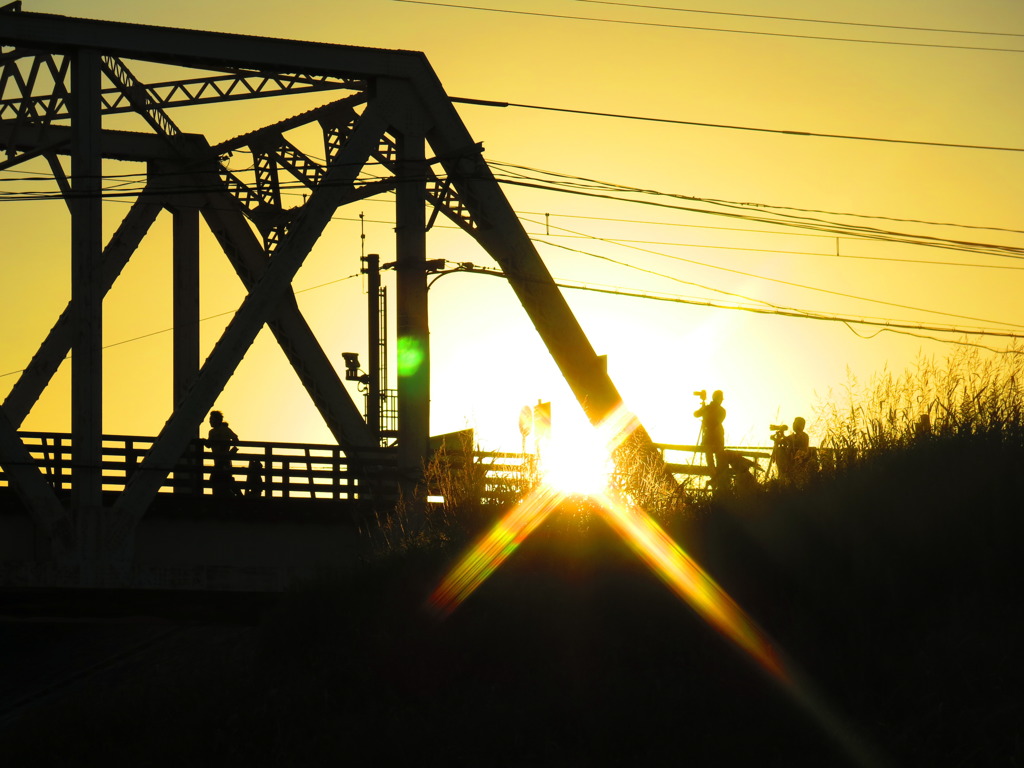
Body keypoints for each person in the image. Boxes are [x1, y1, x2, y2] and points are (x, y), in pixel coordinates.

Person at [693, 390, 726, 483]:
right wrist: (703, 408)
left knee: (716, 460)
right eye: (720, 398)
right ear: (717, 398)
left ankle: (716, 478)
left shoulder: (720, 410)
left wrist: (704, 410)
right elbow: (696, 414)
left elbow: (715, 422)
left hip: (713, 438)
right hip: (713, 439)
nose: (722, 400)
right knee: (713, 461)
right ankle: (715, 478)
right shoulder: (718, 410)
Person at [207, 410, 240, 497]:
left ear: (218, 420)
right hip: (220, 461)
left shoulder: (225, 430)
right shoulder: (212, 432)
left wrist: (230, 449)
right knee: (224, 479)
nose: (210, 421)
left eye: (212, 419)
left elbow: (236, 440)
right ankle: (236, 496)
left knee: (219, 479)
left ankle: (236, 496)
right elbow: (209, 445)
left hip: (224, 460)